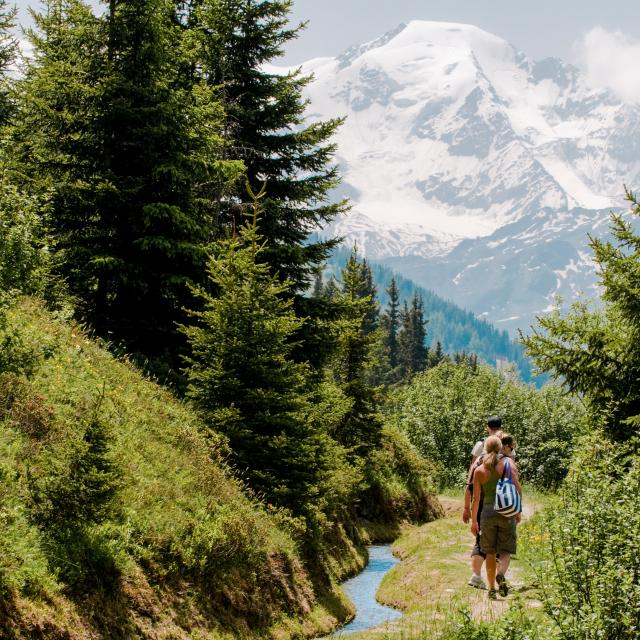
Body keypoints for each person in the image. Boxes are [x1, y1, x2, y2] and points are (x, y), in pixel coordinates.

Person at [471, 435, 522, 600]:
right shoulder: (508, 464)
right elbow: (517, 487)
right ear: (501, 447)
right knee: (505, 549)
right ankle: (501, 574)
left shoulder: (479, 470)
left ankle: (492, 588)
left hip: (487, 514)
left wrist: (474, 521)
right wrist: (518, 510)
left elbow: (476, 499)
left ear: (485, 448)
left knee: (490, 552)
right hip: (506, 512)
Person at [463, 415, 503, 589]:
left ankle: (477, 576)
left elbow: (471, 473)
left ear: (487, 427)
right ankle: (498, 577)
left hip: (482, 501)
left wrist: (467, 505)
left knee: (481, 540)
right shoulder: (506, 444)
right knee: (499, 540)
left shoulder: (480, 446)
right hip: (502, 502)